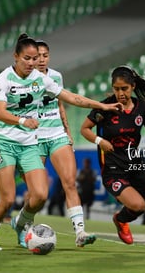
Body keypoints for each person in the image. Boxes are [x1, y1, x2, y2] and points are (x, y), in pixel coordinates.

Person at [0, 33, 122, 251]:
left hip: (29, 143)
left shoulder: (43, 78)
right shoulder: (4, 78)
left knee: (40, 196)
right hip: (3, 140)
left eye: (35, 58)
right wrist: (22, 120)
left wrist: (102, 106)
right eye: (27, 58)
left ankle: (21, 225)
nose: (32, 62)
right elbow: (0, 113)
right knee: (7, 199)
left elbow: (71, 97)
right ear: (16, 56)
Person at [80, 66, 145, 254]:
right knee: (137, 205)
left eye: (124, 88)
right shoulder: (105, 107)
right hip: (113, 169)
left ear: (132, 87)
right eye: (116, 89)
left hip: (135, 165)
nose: (120, 93)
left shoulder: (142, 108)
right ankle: (121, 220)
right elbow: (84, 129)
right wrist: (100, 141)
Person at [29, 39, 96, 245]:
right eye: (37, 55)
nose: (41, 59)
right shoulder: (24, 78)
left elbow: (60, 103)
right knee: (37, 192)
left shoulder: (56, 76)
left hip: (57, 134)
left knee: (70, 182)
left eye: (45, 55)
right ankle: (25, 225)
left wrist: (67, 130)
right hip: (34, 138)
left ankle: (80, 233)